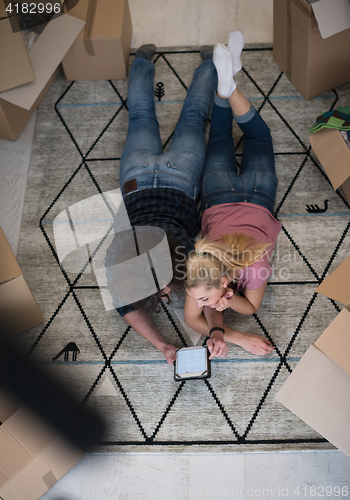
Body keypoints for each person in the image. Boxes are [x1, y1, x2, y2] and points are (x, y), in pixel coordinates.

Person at [106, 44, 217, 365]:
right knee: (140, 114)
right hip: (136, 178)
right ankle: (142, 59)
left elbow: (127, 306)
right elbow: (128, 301)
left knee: (195, 117)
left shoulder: (185, 252)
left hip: (181, 179)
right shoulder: (116, 256)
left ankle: (209, 62)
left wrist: (162, 344)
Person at [184, 36, 282, 360]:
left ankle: (230, 82)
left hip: (259, 192)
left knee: (258, 136)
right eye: (202, 301)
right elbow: (244, 308)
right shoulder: (200, 260)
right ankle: (226, 82)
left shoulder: (256, 265)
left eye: (201, 299)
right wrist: (222, 302)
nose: (200, 304)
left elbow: (250, 307)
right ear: (224, 281)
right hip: (218, 192)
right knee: (221, 136)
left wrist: (220, 306)